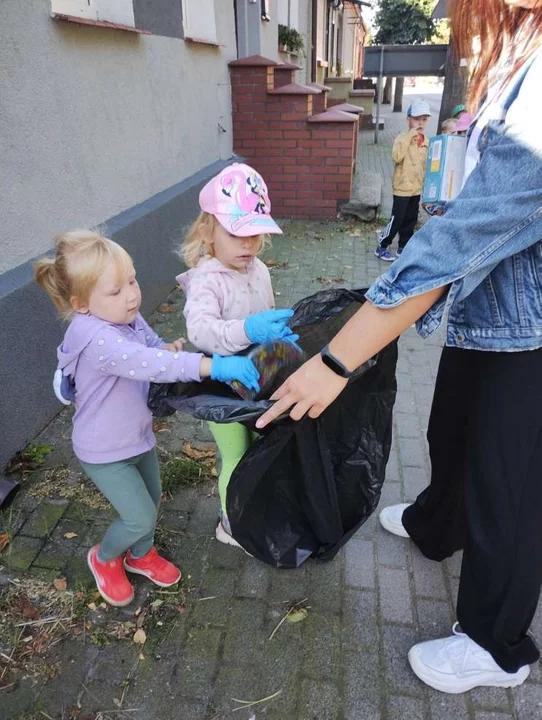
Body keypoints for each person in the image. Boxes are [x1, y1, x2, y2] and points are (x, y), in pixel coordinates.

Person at [256, 0, 542, 695]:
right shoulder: (520, 59)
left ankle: (497, 646)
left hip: (531, 331)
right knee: (452, 430)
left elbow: (464, 236)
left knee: (511, 489)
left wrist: (335, 359)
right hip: (490, 311)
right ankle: (438, 524)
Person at [35, 231, 260, 606]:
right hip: (104, 450)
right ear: (81, 302)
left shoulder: (125, 315)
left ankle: (140, 555)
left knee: (151, 501)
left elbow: (152, 347)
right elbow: (149, 364)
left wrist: (166, 348)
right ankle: (104, 558)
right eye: (116, 290)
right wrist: (211, 365)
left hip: (136, 436)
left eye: (133, 279)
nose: (132, 294)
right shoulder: (95, 337)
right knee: (138, 516)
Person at [177, 163, 298, 549]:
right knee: (236, 453)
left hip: (258, 378)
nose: (248, 245)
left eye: (255, 234)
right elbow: (201, 330)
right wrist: (248, 330)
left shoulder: (257, 268)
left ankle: (251, 505)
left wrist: (279, 337)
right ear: (208, 231)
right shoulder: (206, 279)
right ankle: (230, 523)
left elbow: (267, 309)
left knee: (259, 447)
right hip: (223, 384)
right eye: (236, 234)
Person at [375, 100, 431, 262]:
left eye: (424, 119)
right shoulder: (401, 138)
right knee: (397, 219)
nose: (420, 123)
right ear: (408, 120)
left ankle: (403, 246)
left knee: (410, 219)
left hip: (416, 188)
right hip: (401, 187)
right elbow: (397, 157)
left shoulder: (427, 142)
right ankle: (382, 246)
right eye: (416, 119)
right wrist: (409, 137)